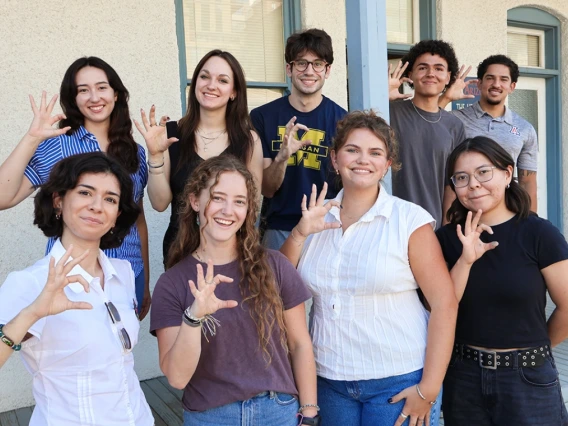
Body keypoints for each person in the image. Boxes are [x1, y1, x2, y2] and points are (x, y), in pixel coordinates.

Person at [280, 110, 458, 426]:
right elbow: (277, 283)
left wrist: (428, 388)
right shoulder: (315, 217)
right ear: (335, 159)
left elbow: (444, 304)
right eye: (353, 150)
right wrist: (299, 233)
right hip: (328, 378)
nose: (363, 160)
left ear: (387, 165)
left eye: (375, 152)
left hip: (397, 379)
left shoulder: (409, 220)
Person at [149, 155, 319, 426]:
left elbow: (300, 344)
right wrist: (194, 317)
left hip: (277, 410)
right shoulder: (172, 283)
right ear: (195, 201)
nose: (228, 210)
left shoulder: (275, 265)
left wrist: (309, 414)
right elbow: (177, 378)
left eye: (239, 201)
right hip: (210, 416)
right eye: (217, 198)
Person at [0, 152, 153, 426]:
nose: (97, 206)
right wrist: (31, 313)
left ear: (117, 215)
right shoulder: (31, 282)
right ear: (59, 201)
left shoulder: (123, 273)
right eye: (85, 192)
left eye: (110, 199)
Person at [0, 57, 151, 319]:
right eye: (83, 90)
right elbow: (4, 197)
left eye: (102, 87)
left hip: (127, 272)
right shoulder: (57, 145)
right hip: (70, 275)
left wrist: (145, 280)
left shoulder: (135, 152)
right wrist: (32, 138)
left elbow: (138, 219)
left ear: (116, 94)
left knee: (120, 352)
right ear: (74, 98)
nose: (94, 97)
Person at [436, 136, 568, 425]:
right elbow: (440, 308)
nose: (473, 184)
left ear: (508, 174)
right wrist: (465, 261)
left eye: (484, 172)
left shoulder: (539, 234)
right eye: (462, 177)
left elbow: (567, 306)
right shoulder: (445, 240)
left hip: (528, 378)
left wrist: (537, 351)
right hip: (464, 375)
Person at [135, 49, 263, 264]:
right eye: (204, 77)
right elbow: (159, 203)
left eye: (222, 80)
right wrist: (155, 155)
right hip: (180, 252)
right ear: (195, 84)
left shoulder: (249, 141)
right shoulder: (170, 134)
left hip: (232, 255)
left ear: (234, 92)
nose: (211, 85)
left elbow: (252, 207)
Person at [250, 28, 347, 250]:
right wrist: (282, 157)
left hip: (326, 226)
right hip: (278, 228)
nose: (309, 71)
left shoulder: (344, 120)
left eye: (318, 64)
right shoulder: (262, 117)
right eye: (301, 63)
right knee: (275, 286)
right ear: (289, 69)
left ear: (328, 70)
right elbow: (267, 189)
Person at [439, 54, 538, 211]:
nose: (496, 84)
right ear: (479, 83)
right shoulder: (455, 119)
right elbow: (427, 122)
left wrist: (532, 222)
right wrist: (445, 98)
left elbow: (528, 182)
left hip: (506, 211)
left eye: (503, 79)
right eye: (490, 78)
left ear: (512, 86)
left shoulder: (525, 129)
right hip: (462, 210)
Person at [388, 40, 466, 228]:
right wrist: (381, 97)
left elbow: (453, 184)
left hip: (433, 225)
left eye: (439, 68)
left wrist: (446, 229)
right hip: (390, 222)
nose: (431, 73)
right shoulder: (390, 112)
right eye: (422, 68)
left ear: (448, 77)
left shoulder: (454, 125)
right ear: (410, 75)